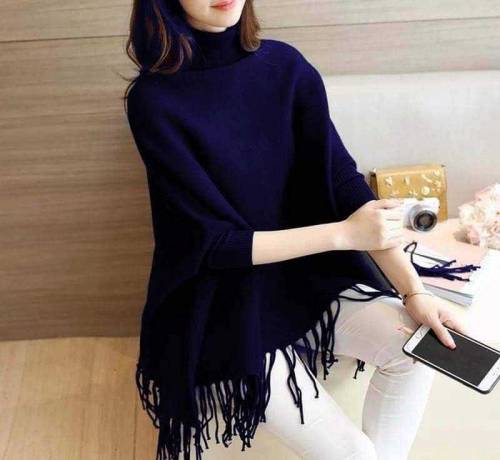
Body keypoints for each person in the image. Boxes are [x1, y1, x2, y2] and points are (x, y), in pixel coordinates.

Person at [124, 1, 469, 459]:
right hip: (222, 304)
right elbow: (214, 244)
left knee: (415, 353)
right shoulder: (154, 100)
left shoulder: (285, 67)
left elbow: (343, 183)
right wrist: (345, 235)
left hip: (308, 282)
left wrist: (414, 292)